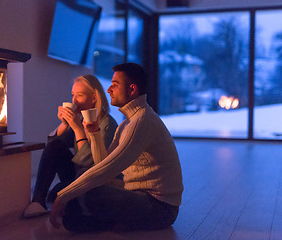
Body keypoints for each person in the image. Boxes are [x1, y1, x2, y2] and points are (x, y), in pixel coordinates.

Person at [49, 63, 184, 232]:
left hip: (160, 208)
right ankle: (102, 221)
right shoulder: (128, 122)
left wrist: (63, 197)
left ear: (132, 89)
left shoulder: (141, 122)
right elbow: (102, 163)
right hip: (137, 194)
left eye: (115, 84)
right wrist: (95, 133)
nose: (109, 90)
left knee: (91, 193)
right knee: (78, 183)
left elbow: (107, 170)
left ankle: (105, 223)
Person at [24, 74, 118, 218]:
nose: (74, 101)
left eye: (79, 95)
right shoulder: (80, 120)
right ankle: (38, 202)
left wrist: (78, 129)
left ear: (94, 98)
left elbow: (90, 164)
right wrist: (65, 124)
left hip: (96, 181)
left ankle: (71, 202)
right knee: (55, 149)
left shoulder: (107, 124)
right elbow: (52, 146)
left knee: (57, 192)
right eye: (72, 95)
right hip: (78, 175)